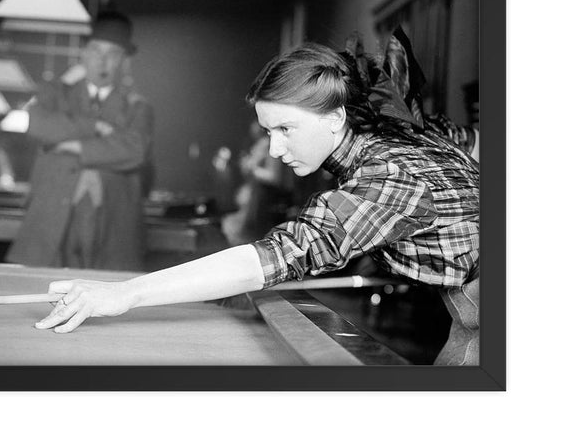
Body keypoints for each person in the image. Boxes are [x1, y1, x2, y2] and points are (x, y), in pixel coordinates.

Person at [34, 30, 479, 366]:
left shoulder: (388, 175)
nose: (275, 148)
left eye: (286, 128)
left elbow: (281, 254)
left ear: (335, 116)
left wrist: (125, 294)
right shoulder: (399, 136)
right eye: (268, 130)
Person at [6, 11, 154, 270]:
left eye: (113, 53)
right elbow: (39, 125)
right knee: (43, 285)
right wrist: (94, 126)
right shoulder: (55, 94)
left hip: (112, 224)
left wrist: (73, 145)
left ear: (125, 61)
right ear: (83, 54)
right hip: (51, 217)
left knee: (106, 288)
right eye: (96, 50)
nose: (102, 61)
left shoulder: (137, 106)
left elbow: (135, 150)